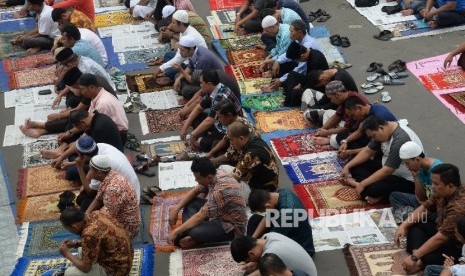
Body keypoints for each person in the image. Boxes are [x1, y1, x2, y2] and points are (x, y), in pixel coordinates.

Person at [394, 164, 465, 274]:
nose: (432, 186)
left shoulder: (459, 207)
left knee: (429, 257)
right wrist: (403, 225)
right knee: (414, 222)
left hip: (457, 243)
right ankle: (418, 260)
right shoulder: (442, 191)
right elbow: (425, 207)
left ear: (450, 186)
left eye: (436, 184)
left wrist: (414, 257)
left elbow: (441, 238)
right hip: (442, 228)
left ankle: (419, 261)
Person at [340, 116, 423, 204]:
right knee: (354, 165)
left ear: (381, 128)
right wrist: (347, 166)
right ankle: (371, 190)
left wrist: (362, 184)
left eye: (373, 136)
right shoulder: (383, 132)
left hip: (407, 179)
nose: (373, 139)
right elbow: (368, 151)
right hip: (387, 170)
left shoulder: (400, 139)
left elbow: (387, 171)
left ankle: (358, 185)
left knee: (372, 190)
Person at [167, 157, 247, 248]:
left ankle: (195, 236)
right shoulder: (215, 173)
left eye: (198, 179)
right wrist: (176, 209)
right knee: (191, 202)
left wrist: (176, 231)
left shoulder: (220, 191)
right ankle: (192, 232)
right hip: (219, 214)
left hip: (230, 227)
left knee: (194, 231)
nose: (196, 181)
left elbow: (199, 216)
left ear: (208, 177)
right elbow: (195, 191)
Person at [180, 70, 242, 152]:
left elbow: (210, 120)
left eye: (201, 83)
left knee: (204, 144)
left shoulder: (221, 97)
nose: (200, 85)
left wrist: (193, 134)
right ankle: (204, 137)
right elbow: (199, 107)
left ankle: (204, 139)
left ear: (209, 84)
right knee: (196, 117)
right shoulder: (213, 89)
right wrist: (185, 127)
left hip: (228, 126)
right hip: (220, 121)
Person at [59, 207, 133, 276]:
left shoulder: (88, 234)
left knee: (68, 273)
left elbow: (86, 268)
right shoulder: (96, 213)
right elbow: (97, 239)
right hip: (126, 258)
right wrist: (75, 244)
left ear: (74, 227)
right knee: (81, 251)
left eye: (68, 229)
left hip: (118, 270)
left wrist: (67, 254)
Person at [20, 67, 89, 139]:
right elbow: (69, 87)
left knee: (73, 120)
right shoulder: (81, 81)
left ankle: (42, 126)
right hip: (82, 109)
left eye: (76, 88)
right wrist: (60, 95)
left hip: (86, 117)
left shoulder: (87, 92)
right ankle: (42, 130)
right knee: (71, 103)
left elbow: (78, 110)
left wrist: (60, 115)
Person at [46, 109, 124, 170]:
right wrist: (62, 157)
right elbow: (79, 142)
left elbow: (94, 155)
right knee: (74, 152)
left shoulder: (98, 128)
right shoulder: (96, 117)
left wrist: (73, 164)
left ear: (83, 122)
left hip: (111, 161)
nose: (81, 130)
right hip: (102, 152)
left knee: (71, 172)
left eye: (80, 128)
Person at [85, 155, 141, 239]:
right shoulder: (110, 174)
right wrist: (86, 214)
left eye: (91, 169)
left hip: (127, 228)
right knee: (85, 208)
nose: (89, 172)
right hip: (119, 214)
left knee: (91, 235)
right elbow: (98, 198)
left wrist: (88, 223)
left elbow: (107, 217)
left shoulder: (113, 189)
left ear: (99, 173)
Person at [248, 188, 315, 256]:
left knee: (264, 257)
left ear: (267, 206)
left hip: (302, 249)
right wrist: (252, 239)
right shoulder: (281, 192)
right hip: (286, 227)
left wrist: (254, 246)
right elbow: (268, 217)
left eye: (264, 211)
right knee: (255, 219)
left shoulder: (287, 214)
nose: (265, 213)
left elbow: (270, 240)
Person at [69, 136, 140, 199]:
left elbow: (90, 192)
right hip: (126, 182)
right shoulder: (99, 146)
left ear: (83, 157)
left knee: (83, 199)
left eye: (78, 154)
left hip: (129, 196)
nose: (77, 156)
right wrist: (84, 184)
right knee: (72, 172)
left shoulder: (100, 164)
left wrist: (80, 168)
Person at [389, 141, 442, 224]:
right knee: (394, 196)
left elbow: (435, 203)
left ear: (417, 159)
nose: (407, 167)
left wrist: (423, 204)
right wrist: (415, 176)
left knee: (423, 218)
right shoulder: (419, 168)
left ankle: (408, 219)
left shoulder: (436, 170)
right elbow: (421, 197)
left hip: (435, 209)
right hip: (426, 203)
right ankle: (409, 218)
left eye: (407, 163)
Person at [152, 10, 207, 85]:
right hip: (187, 57)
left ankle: (171, 78)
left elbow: (179, 58)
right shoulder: (184, 30)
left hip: (192, 63)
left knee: (169, 71)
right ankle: (173, 75)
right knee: (168, 55)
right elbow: (180, 54)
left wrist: (160, 69)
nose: (172, 25)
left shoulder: (190, 36)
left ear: (180, 24)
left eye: (173, 23)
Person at [230, 233, 318, 276]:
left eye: (248, 260)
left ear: (251, 254)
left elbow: (264, 271)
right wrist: (256, 263)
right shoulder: (268, 236)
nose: (249, 262)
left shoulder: (272, 253)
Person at [228, 121, 279, 193]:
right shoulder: (255, 139)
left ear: (241, 138)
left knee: (227, 186)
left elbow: (234, 176)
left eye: (232, 139)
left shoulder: (251, 155)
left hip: (264, 189)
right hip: (270, 179)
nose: (231, 143)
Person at [173, 36, 223, 100]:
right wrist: (179, 79)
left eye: (182, 50)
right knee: (177, 76)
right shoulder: (194, 51)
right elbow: (190, 67)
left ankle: (186, 95)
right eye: (180, 50)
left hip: (211, 83)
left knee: (186, 90)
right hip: (201, 77)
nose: (180, 52)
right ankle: (183, 91)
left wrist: (181, 70)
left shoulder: (202, 59)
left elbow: (194, 81)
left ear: (191, 50)